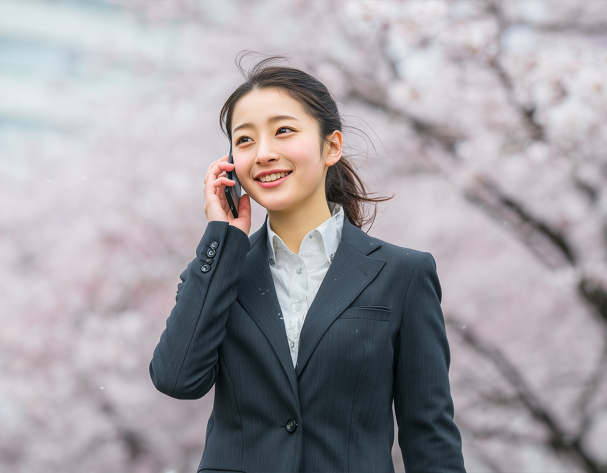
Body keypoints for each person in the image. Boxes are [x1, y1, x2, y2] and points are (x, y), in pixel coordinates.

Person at [149, 55, 466, 473]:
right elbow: (177, 379)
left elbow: (429, 434)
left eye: (283, 131)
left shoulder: (402, 274)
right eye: (245, 140)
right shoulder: (219, 271)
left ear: (331, 146)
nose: (263, 153)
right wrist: (221, 237)